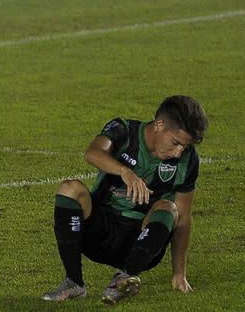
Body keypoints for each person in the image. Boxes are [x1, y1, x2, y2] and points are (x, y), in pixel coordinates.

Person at [41, 95, 208, 304]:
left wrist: (179, 273)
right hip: (100, 232)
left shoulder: (188, 160)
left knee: (170, 208)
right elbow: (92, 153)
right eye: (176, 143)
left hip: (141, 242)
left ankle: (124, 279)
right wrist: (124, 171)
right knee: (69, 188)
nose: (178, 152)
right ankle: (74, 282)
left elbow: (183, 218)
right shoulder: (123, 130)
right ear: (159, 124)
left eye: (184, 146)